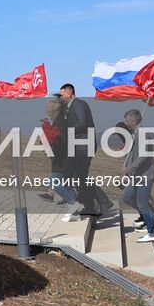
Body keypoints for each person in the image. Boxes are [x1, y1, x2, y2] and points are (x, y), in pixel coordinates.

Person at [51, 84, 101, 221]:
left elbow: (82, 123)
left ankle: (87, 208)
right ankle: (89, 207)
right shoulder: (72, 106)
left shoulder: (78, 104)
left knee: (78, 178)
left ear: (69, 92)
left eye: (62, 94)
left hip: (83, 147)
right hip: (80, 147)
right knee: (79, 178)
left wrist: (64, 131)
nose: (61, 97)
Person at [119, 109, 154, 242]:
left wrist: (129, 168)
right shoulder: (134, 134)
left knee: (142, 204)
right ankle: (151, 215)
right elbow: (131, 155)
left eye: (127, 121)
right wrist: (127, 172)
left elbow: (143, 156)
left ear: (134, 121)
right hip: (137, 175)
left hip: (146, 175)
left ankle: (152, 233)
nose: (126, 123)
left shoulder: (143, 134)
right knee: (127, 197)